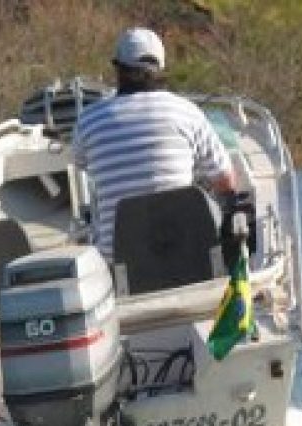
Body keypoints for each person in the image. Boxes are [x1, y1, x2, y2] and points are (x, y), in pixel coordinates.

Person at [72, 27, 237, 259]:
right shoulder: (186, 112)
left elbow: (81, 162)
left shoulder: (88, 120)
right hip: (185, 254)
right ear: (159, 69)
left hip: (119, 261)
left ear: (118, 68)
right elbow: (225, 180)